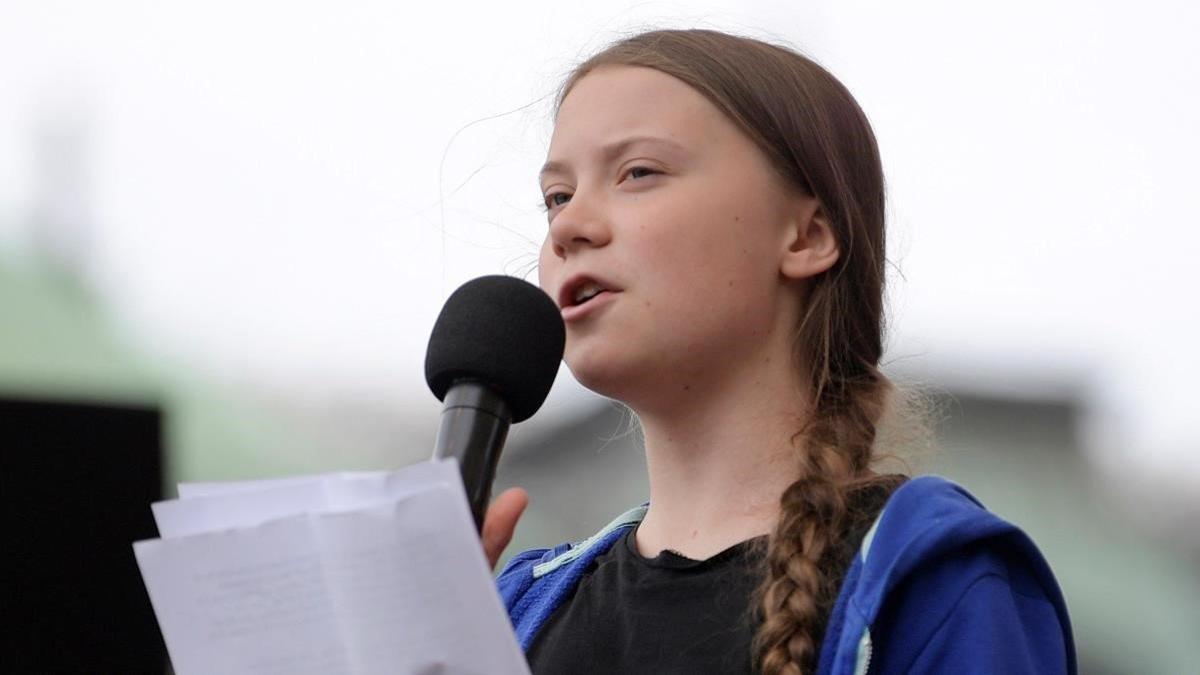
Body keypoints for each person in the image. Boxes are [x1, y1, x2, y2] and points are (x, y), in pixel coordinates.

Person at [479, 29, 1076, 674]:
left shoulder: (933, 582)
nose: (568, 226)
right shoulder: (517, 610)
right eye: (556, 197)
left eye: (638, 172)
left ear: (807, 236)